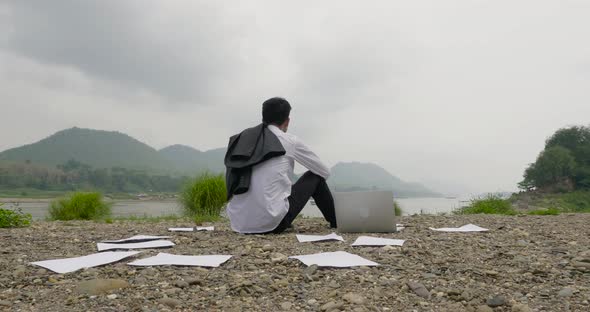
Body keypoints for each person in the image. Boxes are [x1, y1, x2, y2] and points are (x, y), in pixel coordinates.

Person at [225, 97, 337, 234]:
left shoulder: (242, 140)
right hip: (273, 223)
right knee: (315, 175)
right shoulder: (289, 140)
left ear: (263, 117)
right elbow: (324, 171)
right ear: (287, 120)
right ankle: (337, 221)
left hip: (238, 223)